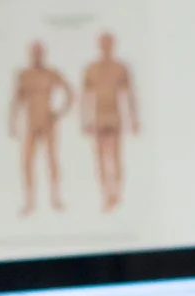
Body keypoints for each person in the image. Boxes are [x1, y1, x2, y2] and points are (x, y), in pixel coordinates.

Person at [9, 41, 71, 216]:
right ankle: (29, 202)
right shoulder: (24, 75)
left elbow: (69, 92)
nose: (37, 55)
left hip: (48, 122)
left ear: (43, 54)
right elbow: (16, 100)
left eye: (39, 52)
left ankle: (56, 198)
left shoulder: (51, 73)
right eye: (34, 52)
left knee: (52, 160)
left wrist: (59, 113)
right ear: (30, 54)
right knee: (27, 162)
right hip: (31, 122)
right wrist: (12, 123)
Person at [77, 33, 136, 212]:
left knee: (116, 157)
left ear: (113, 45)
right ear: (99, 45)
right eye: (103, 43)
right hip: (98, 118)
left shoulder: (120, 68)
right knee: (101, 158)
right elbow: (85, 97)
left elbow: (129, 95)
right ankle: (105, 194)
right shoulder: (91, 69)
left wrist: (134, 119)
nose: (106, 47)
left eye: (109, 43)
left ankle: (116, 193)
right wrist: (85, 120)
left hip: (114, 116)